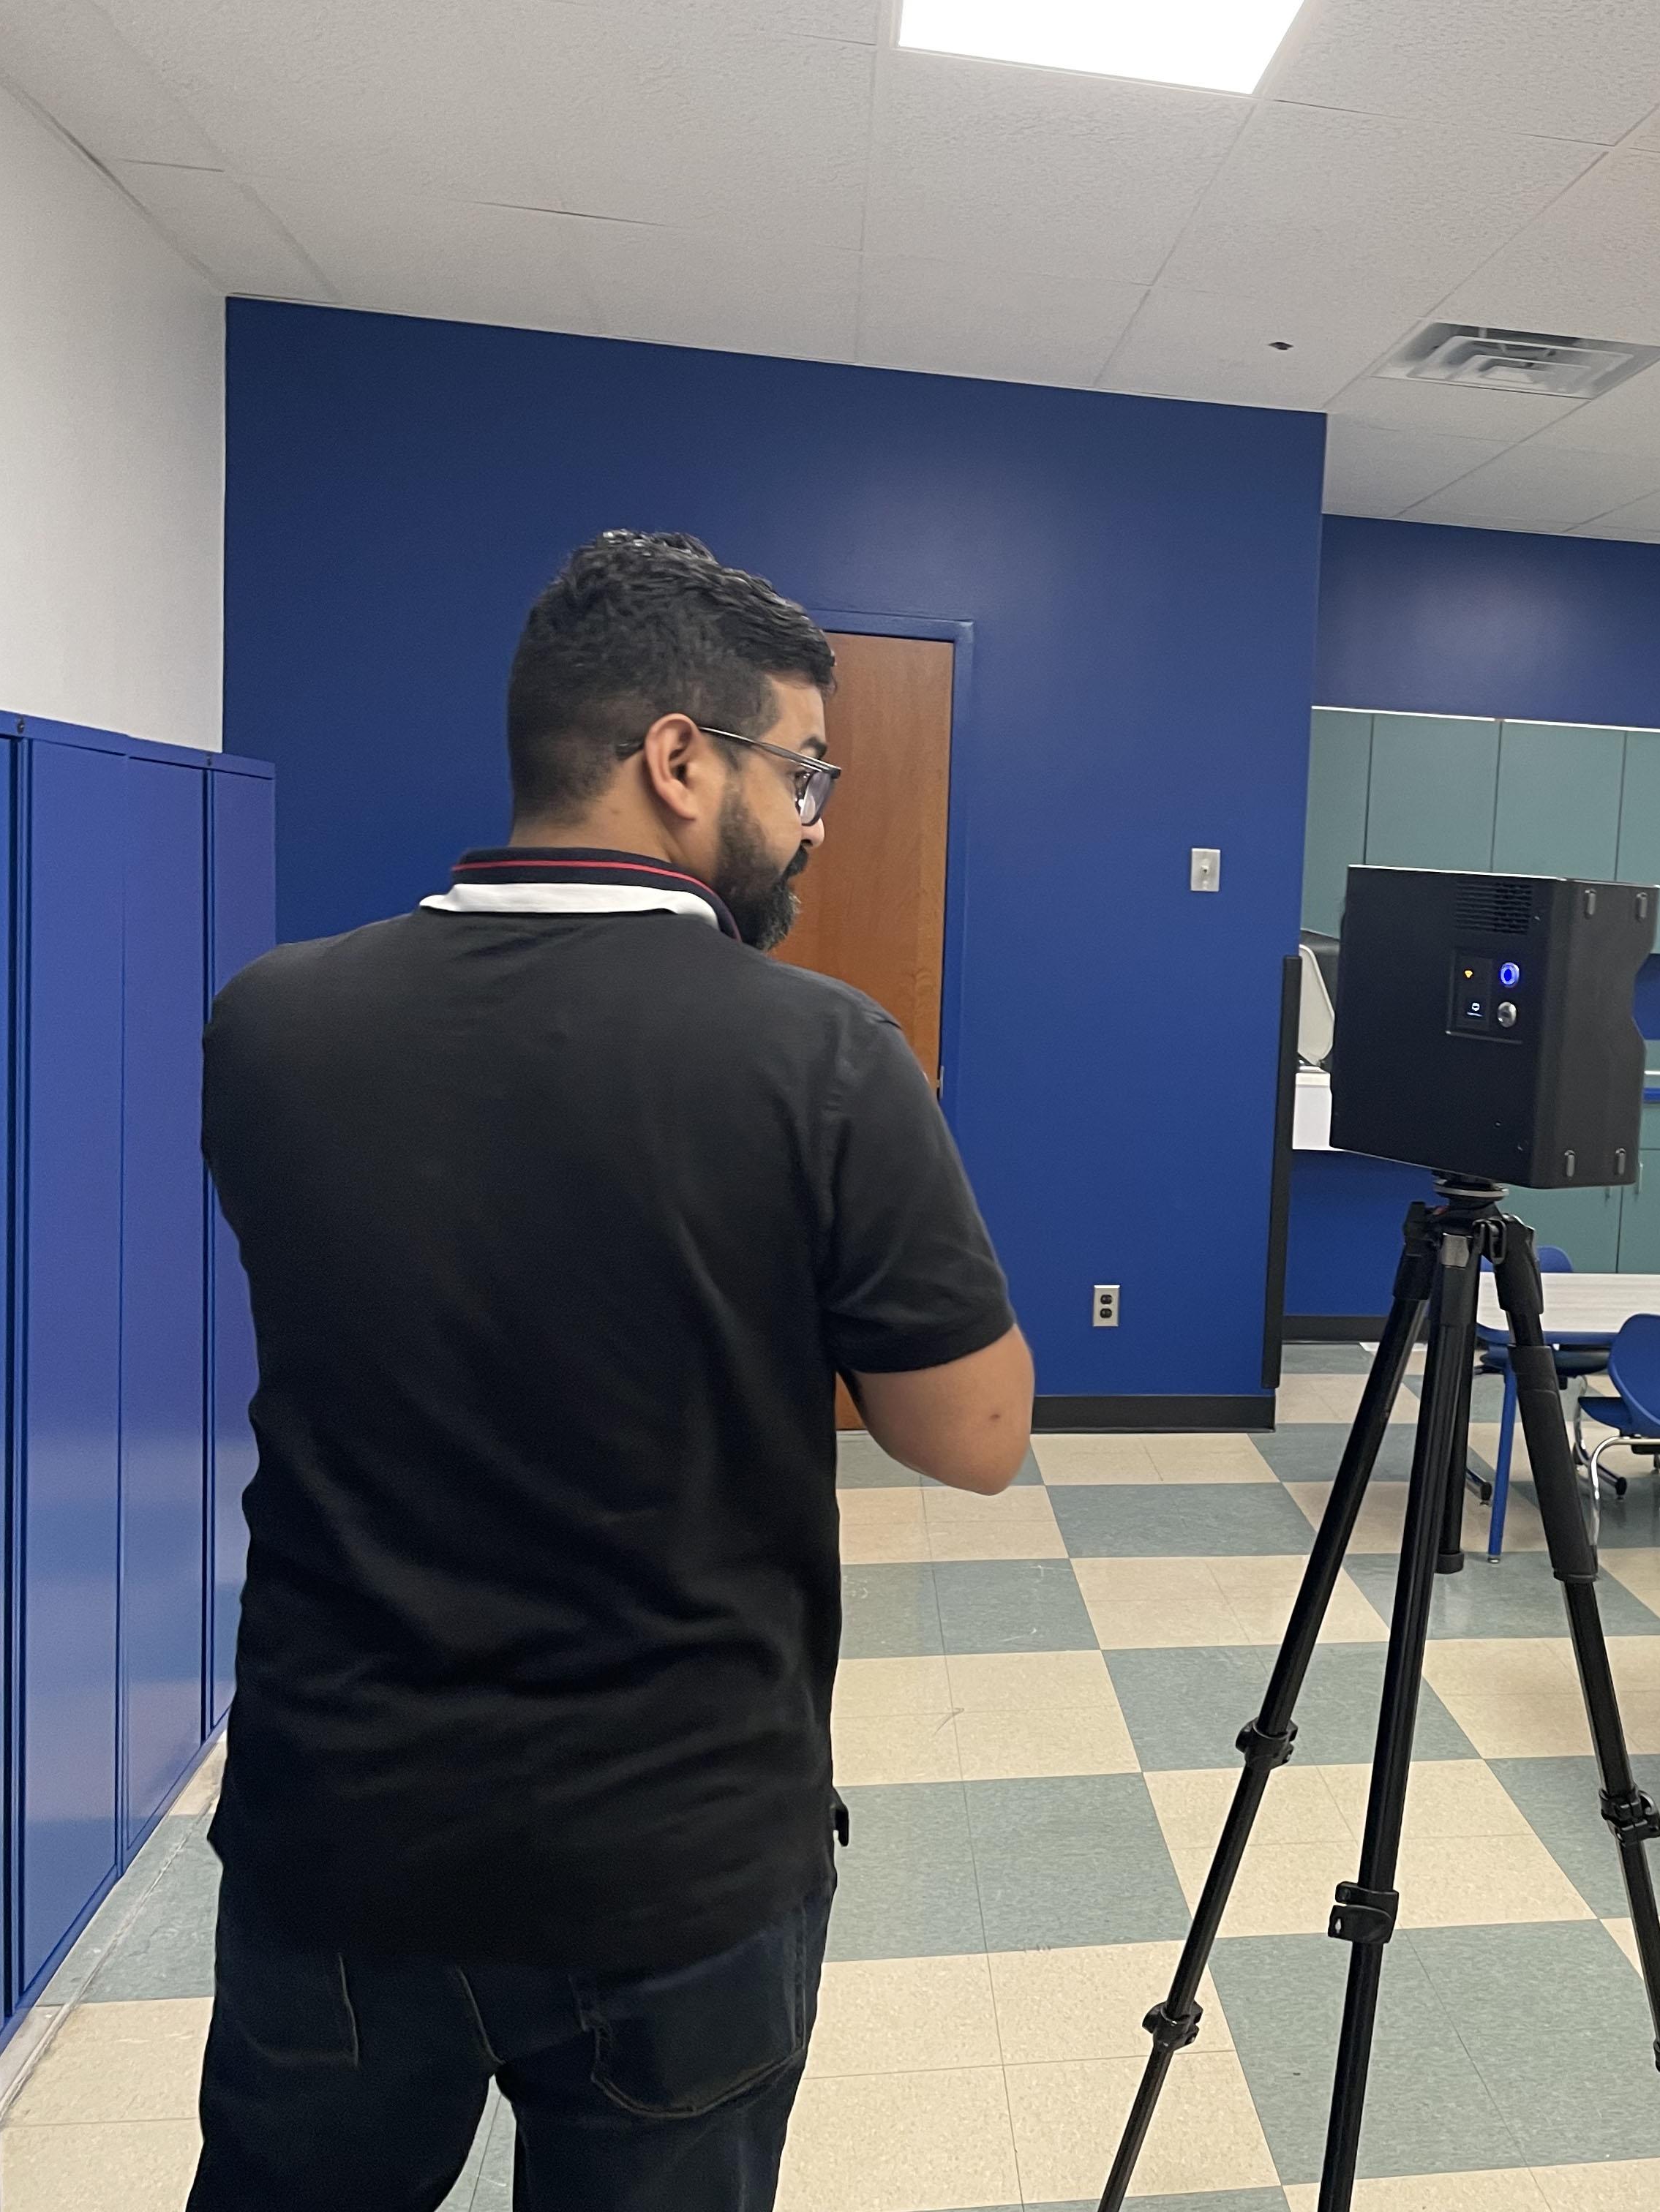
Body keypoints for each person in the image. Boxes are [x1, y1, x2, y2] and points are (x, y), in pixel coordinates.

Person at [190, 530, 1034, 2211]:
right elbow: (974, 1433)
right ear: (676, 760)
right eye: (803, 772)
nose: (812, 819)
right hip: (677, 1865)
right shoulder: (823, 1053)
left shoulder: (270, 1022)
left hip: (340, 1833)